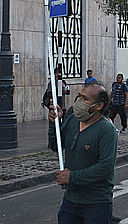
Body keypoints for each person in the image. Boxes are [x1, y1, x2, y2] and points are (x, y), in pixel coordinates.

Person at [48, 83, 118, 224]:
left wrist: (72, 177)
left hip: (96, 203)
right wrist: (54, 122)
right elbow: (56, 145)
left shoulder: (106, 130)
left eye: (85, 99)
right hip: (71, 200)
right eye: (79, 96)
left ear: (98, 106)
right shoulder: (73, 120)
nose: (79, 101)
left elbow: (105, 167)